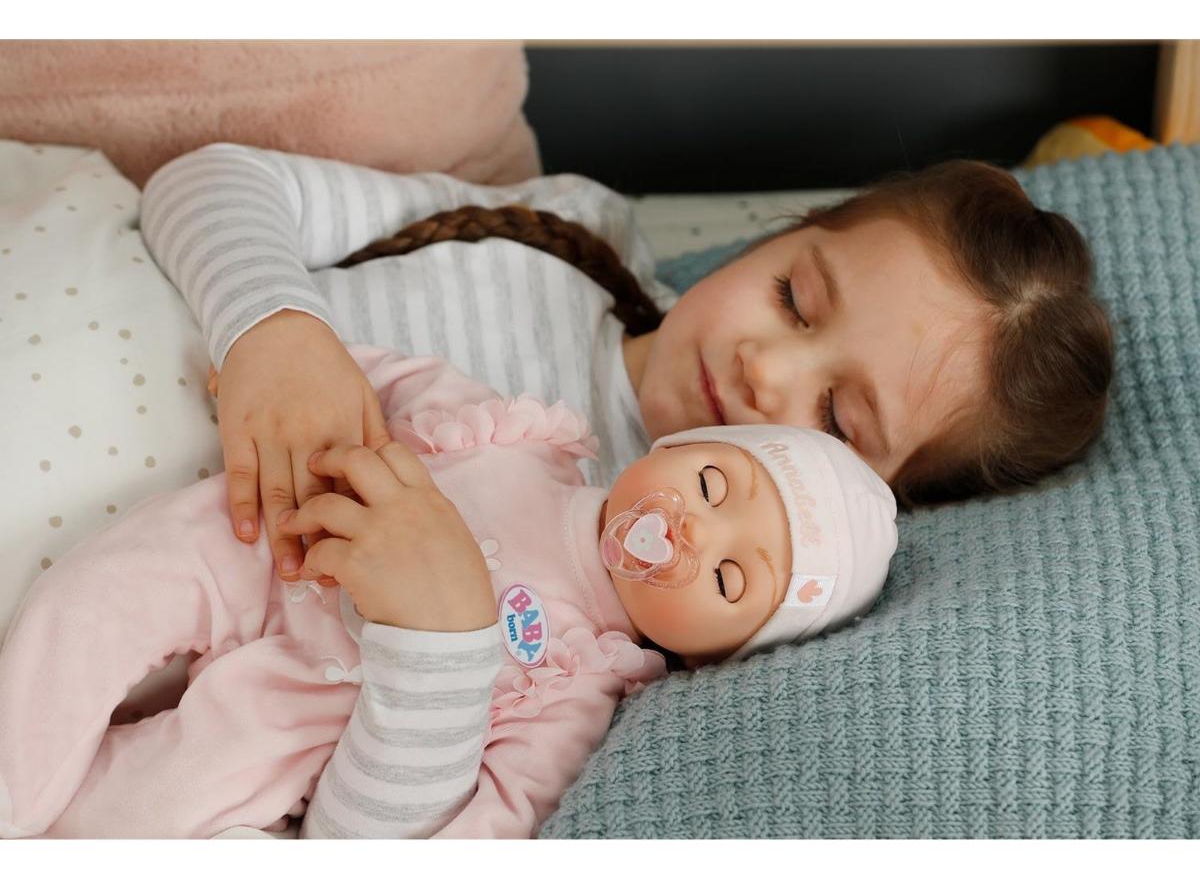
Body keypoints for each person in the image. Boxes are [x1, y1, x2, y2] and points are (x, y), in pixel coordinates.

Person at [0, 345, 898, 839]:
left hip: (289, 723)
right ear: (681, 448)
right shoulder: (517, 434)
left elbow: (461, 837)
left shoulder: (577, 695)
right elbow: (357, 382)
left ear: (719, 654)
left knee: (144, 813)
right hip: (262, 543)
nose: (695, 533)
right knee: (94, 605)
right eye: (711, 484)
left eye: (732, 578)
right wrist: (268, 366)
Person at [138, 143, 1112, 591]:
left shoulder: (632, 570)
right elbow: (209, 180)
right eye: (793, 297)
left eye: (837, 419)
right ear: (780, 233)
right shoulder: (567, 234)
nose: (767, 371)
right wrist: (274, 329)